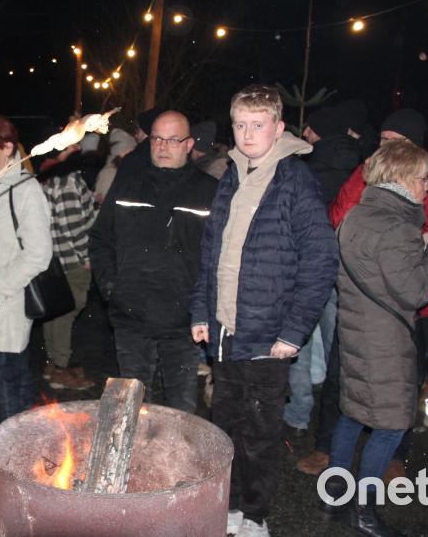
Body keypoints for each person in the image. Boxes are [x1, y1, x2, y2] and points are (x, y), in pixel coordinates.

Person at [189, 85, 338, 537]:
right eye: (240, 124)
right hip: (226, 330)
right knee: (225, 426)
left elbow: (321, 261)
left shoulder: (295, 181)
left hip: (269, 335)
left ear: (278, 127)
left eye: (258, 125)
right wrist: (201, 311)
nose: (248, 133)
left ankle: (254, 515)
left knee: (260, 432)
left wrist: (294, 332)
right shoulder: (232, 175)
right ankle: (228, 507)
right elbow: (211, 252)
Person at [301, 108, 428, 477]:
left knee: (383, 393)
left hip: (393, 311)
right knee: (366, 394)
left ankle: (378, 466)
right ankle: (353, 490)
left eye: (396, 143)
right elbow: (344, 221)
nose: (385, 148)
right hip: (381, 311)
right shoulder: (370, 184)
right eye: (384, 141)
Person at [324, 140, 428, 536]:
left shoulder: (358, 215)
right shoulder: (397, 227)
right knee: (393, 424)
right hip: (386, 340)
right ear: (400, 178)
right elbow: (415, 291)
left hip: (357, 332)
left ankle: (334, 489)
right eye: (423, 178)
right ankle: (365, 512)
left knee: (352, 411)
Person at [90, 110, 218, 413]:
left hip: (182, 321)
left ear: (188, 144)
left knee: (182, 408)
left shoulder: (208, 190)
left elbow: (217, 255)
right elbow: (100, 239)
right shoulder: (128, 183)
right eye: (157, 138)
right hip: (132, 316)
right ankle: (134, 460)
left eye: (173, 140)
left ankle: (176, 461)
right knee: (130, 408)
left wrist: (202, 305)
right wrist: (112, 286)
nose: (163, 146)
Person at [0, 114, 51, 433]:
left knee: (2, 382)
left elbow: (39, 252)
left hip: (9, 303)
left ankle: (5, 461)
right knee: (11, 379)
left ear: (8, 147)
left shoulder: (24, 189)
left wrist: (0, 285)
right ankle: (19, 455)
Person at [283, 106, 359, 437]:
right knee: (336, 348)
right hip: (343, 271)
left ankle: (298, 413)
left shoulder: (307, 169)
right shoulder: (361, 169)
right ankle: (337, 421)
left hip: (307, 268)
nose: (306, 134)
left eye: (310, 129)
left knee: (295, 339)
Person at [40, 143, 97, 391]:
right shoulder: (68, 182)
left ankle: (53, 363)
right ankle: (60, 367)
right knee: (70, 309)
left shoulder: (52, 178)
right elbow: (72, 225)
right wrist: (86, 257)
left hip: (56, 259)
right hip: (71, 260)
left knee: (56, 311)